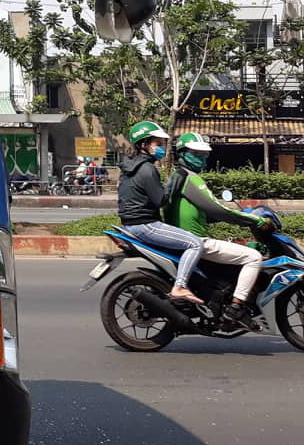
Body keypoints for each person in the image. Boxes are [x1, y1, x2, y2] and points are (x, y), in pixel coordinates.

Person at [163, 132, 276, 328]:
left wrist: (242, 218)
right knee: (254, 257)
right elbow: (218, 209)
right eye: (196, 153)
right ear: (181, 153)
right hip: (197, 241)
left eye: (204, 154)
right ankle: (235, 308)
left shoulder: (177, 176)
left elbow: (207, 215)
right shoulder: (191, 179)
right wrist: (253, 220)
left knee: (238, 246)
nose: (201, 157)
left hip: (186, 238)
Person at [116, 120, 205, 304]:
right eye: (158, 144)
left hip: (131, 224)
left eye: (163, 144)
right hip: (145, 225)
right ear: (144, 144)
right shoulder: (147, 169)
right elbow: (161, 201)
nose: (162, 148)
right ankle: (180, 286)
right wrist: (174, 182)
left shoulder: (130, 166)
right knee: (195, 243)